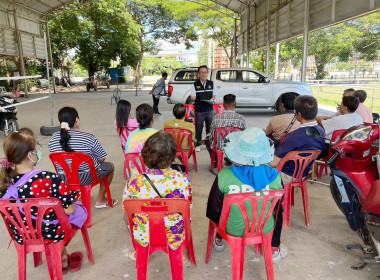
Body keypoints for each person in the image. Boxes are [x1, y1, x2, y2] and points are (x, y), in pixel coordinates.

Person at [0, 131, 88, 274]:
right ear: (29, 155)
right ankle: (62, 257)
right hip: (50, 234)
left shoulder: (4, 183)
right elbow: (69, 210)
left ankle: (62, 256)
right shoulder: (49, 179)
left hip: (22, 235)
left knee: (48, 216)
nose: (38, 151)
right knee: (77, 210)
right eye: (36, 148)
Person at [206, 128, 287, 264]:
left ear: (236, 154)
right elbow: (277, 208)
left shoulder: (224, 176)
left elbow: (213, 210)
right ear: (264, 154)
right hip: (264, 227)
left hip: (231, 229)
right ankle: (274, 249)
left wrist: (219, 227)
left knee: (220, 211)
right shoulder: (275, 177)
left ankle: (219, 239)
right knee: (279, 212)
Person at [123, 131, 192, 261]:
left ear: (145, 156)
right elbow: (188, 207)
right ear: (172, 157)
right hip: (175, 234)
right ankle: (181, 252)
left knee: (125, 215)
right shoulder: (183, 180)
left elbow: (128, 212)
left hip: (144, 235)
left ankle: (141, 252)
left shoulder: (133, 183)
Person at [48, 107, 118, 209]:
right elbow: (102, 159)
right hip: (86, 178)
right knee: (109, 166)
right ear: (77, 120)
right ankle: (101, 199)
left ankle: (78, 195)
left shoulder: (54, 137)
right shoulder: (88, 137)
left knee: (73, 170)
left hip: (64, 177)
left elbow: (55, 155)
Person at [271, 95, 325, 184]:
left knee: (258, 171)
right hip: (303, 174)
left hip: (286, 176)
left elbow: (274, 163)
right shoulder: (321, 131)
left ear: (299, 114)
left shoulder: (294, 136)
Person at [206, 94, 246, 163]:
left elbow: (212, 136)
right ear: (235, 104)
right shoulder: (241, 118)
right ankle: (232, 158)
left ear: (223, 105)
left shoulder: (216, 117)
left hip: (220, 147)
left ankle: (217, 160)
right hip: (235, 147)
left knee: (207, 140)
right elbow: (244, 135)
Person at [191, 65, 217, 152]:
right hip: (199, 110)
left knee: (210, 128)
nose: (204, 74)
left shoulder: (211, 83)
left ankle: (209, 144)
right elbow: (193, 96)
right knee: (199, 127)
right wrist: (193, 98)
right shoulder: (195, 84)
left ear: (207, 73)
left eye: (205, 72)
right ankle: (198, 144)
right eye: (202, 72)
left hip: (209, 109)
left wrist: (212, 99)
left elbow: (214, 95)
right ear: (198, 74)